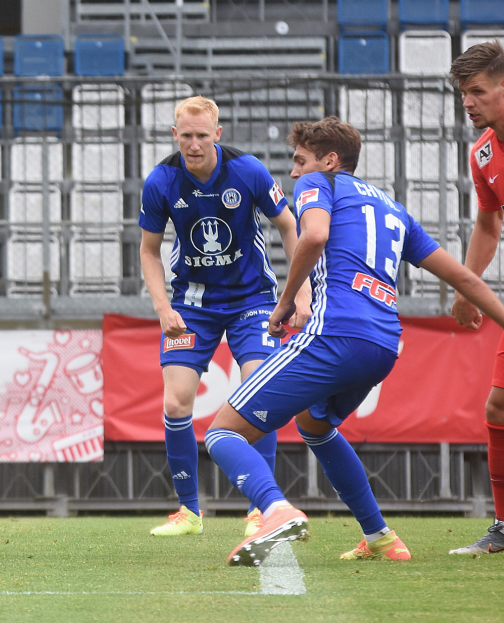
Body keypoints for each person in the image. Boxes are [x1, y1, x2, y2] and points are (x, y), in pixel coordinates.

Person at [203, 117, 504, 567]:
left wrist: (285, 301)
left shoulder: (318, 184)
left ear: (329, 160)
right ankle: (380, 536)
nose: (293, 172)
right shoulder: (393, 208)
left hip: (334, 333)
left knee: (222, 432)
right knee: (315, 424)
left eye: (299, 161)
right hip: (383, 345)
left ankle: (275, 509)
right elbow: (463, 276)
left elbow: (315, 234)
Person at [138, 96, 311, 537]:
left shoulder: (248, 170)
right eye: (186, 136)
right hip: (192, 305)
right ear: (174, 135)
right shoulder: (160, 181)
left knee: (260, 393)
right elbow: (148, 249)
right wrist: (163, 307)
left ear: (218, 134)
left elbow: (290, 227)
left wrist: (301, 292)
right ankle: (189, 512)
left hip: (252, 299)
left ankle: (261, 509)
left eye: (202, 135)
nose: (193, 145)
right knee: (176, 401)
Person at [449, 40, 504, 555]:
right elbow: (489, 222)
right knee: (500, 404)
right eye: (464, 93)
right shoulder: (483, 152)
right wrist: (469, 283)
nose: (468, 102)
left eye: (478, 91)